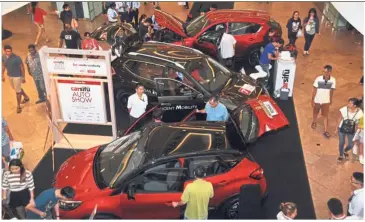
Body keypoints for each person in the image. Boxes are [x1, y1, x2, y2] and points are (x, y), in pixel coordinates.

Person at [2, 45, 30, 114]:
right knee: (17, 89)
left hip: (17, 76)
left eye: (10, 51)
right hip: (10, 76)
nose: (9, 52)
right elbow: (3, 65)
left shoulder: (17, 58)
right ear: (4, 51)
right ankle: (26, 97)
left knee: (17, 92)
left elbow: (22, 68)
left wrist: (23, 77)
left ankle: (18, 106)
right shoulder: (3, 57)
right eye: (7, 51)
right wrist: (2, 74)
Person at [311, 65, 336, 139]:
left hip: (326, 101)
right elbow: (314, 90)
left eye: (325, 72)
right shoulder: (318, 79)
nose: (324, 73)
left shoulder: (333, 80)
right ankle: (314, 122)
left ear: (330, 72)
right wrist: (312, 100)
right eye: (323, 71)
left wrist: (330, 99)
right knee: (315, 112)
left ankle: (325, 130)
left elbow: (332, 91)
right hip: (317, 100)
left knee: (326, 116)